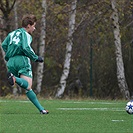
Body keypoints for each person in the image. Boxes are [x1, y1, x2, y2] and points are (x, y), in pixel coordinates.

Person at [1, 14, 49, 114]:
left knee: (27, 88)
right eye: (34, 26)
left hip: (10, 61)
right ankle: (14, 78)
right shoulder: (26, 34)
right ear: (28, 26)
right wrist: (36, 58)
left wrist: (10, 53)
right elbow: (26, 47)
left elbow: (3, 45)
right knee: (28, 86)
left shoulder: (12, 33)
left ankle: (41, 109)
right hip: (22, 60)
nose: (34, 28)